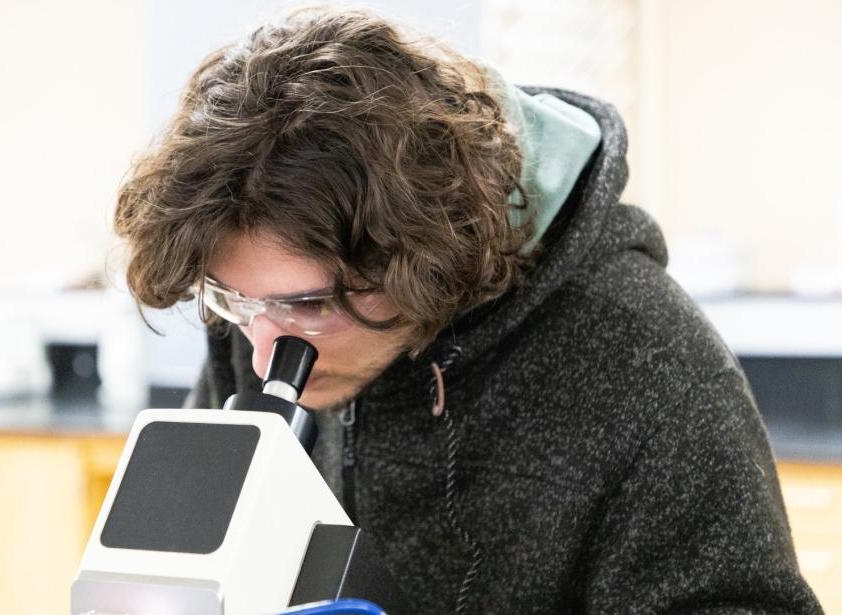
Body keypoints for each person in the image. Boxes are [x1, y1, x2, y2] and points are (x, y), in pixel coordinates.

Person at [112, 7, 822, 613]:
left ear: (424, 253)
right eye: (233, 298)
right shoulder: (254, 318)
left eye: (310, 304)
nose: (263, 354)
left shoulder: (647, 363)